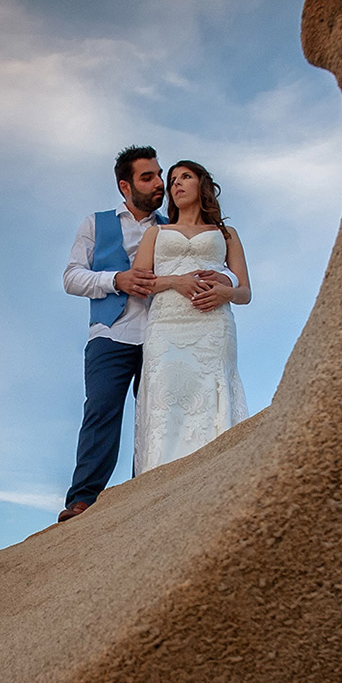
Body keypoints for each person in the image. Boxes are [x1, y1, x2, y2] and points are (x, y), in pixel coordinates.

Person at [59, 147, 235, 522]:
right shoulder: (96, 223)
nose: (159, 183)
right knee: (101, 410)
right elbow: (71, 277)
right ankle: (83, 499)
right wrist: (116, 280)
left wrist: (226, 283)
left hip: (166, 333)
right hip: (112, 332)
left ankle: (146, 493)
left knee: (159, 415)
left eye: (160, 175)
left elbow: (218, 265)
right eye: (148, 177)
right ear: (125, 186)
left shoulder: (173, 226)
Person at [131, 159, 249, 473]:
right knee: (166, 403)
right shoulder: (156, 233)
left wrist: (226, 293)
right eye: (173, 180)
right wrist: (175, 281)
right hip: (166, 327)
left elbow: (245, 292)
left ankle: (215, 478)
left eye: (185, 177)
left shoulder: (226, 233)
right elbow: (139, 284)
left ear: (202, 184)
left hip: (213, 327)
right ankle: (160, 484)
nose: (177, 184)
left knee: (211, 401)